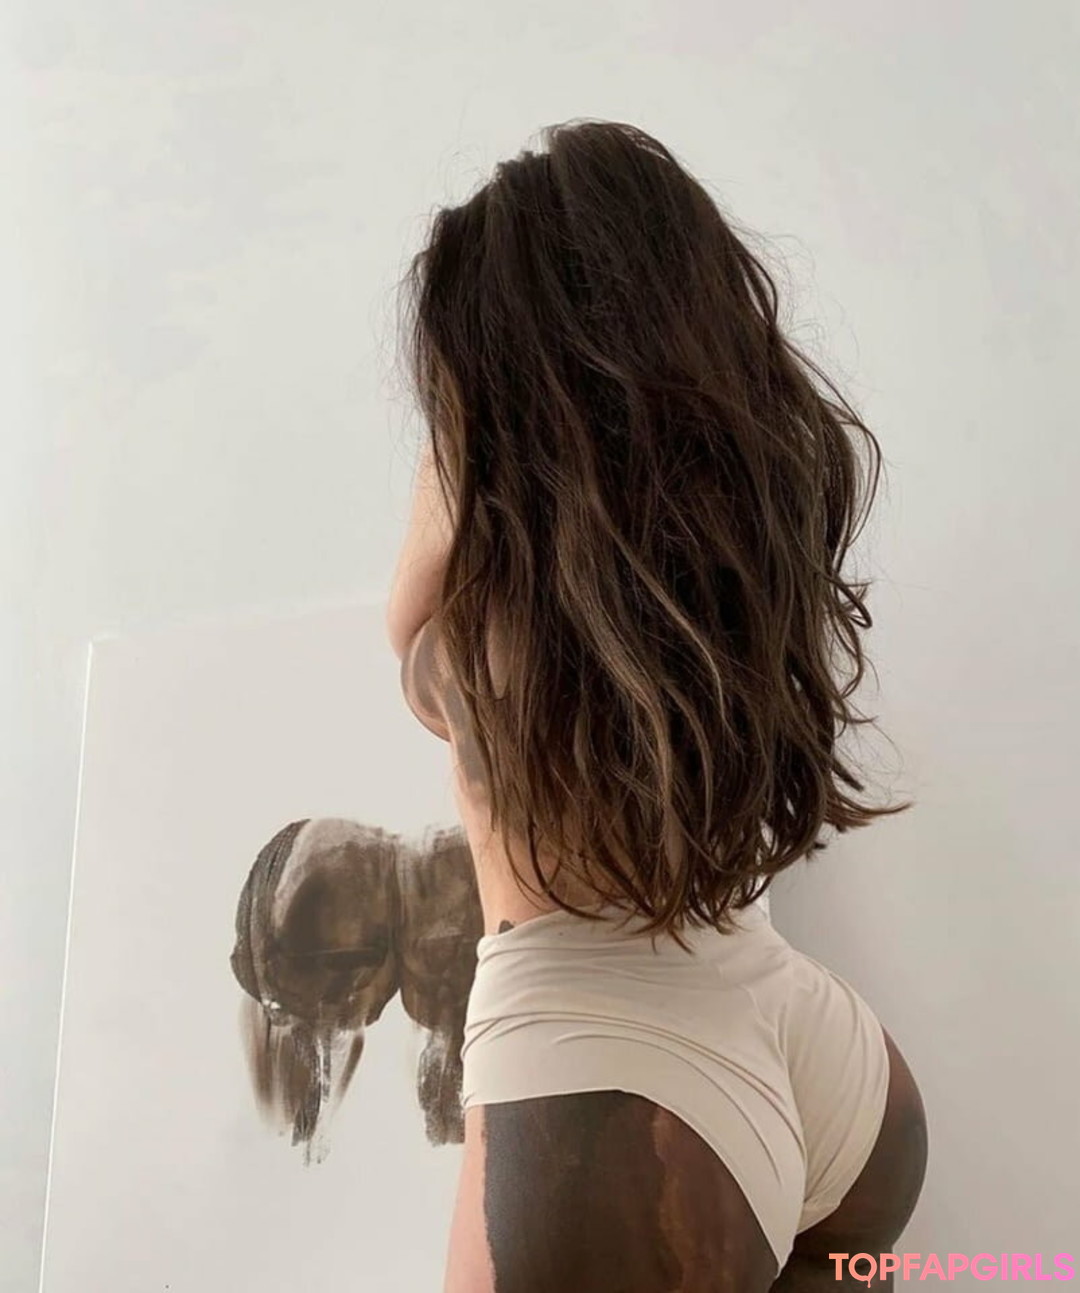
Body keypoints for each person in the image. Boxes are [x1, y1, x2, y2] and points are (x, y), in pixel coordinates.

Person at [386, 119, 928, 1292]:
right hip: (826, 1059)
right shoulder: (738, 549)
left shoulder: (486, 627)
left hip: (606, 1078)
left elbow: (405, 629)